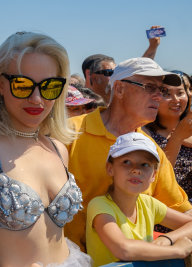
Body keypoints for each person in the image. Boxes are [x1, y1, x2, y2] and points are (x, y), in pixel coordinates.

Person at [0, 31, 91, 267]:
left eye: (49, 86)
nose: (37, 99)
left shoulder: (58, 148)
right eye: (22, 85)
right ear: (0, 85)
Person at [65, 57, 192, 252]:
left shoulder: (152, 152)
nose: (159, 96)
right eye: (150, 87)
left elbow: (186, 217)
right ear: (120, 89)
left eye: (162, 90)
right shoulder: (68, 133)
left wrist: (166, 241)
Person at [86, 132, 192, 266]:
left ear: (153, 175)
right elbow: (122, 249)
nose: (136, 170)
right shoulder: (100, 205)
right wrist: (177, 250)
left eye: (145, 164)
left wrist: (167, 239)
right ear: (110, 168)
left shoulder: (148, 203)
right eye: (127, 162)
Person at [144, 71, 192, 200]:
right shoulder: (144, 132)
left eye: (180, 93)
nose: (175, 100)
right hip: (163, 209)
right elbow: (156, 180)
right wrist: (177, 138)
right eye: (166, 94)